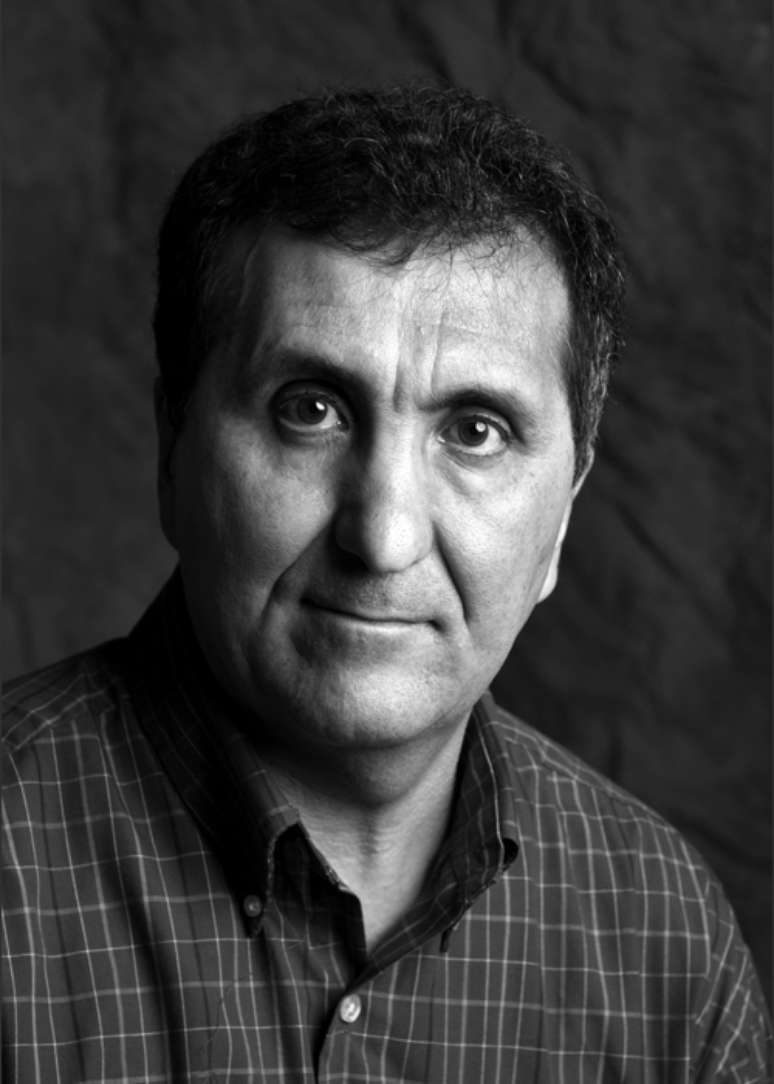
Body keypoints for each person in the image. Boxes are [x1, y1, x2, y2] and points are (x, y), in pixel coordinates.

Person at [2, 85, 769, 1083]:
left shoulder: (666, 940)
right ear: (172, 450)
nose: (385, 535)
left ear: (563, 514)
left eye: (475, 431)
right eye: (311, 410)